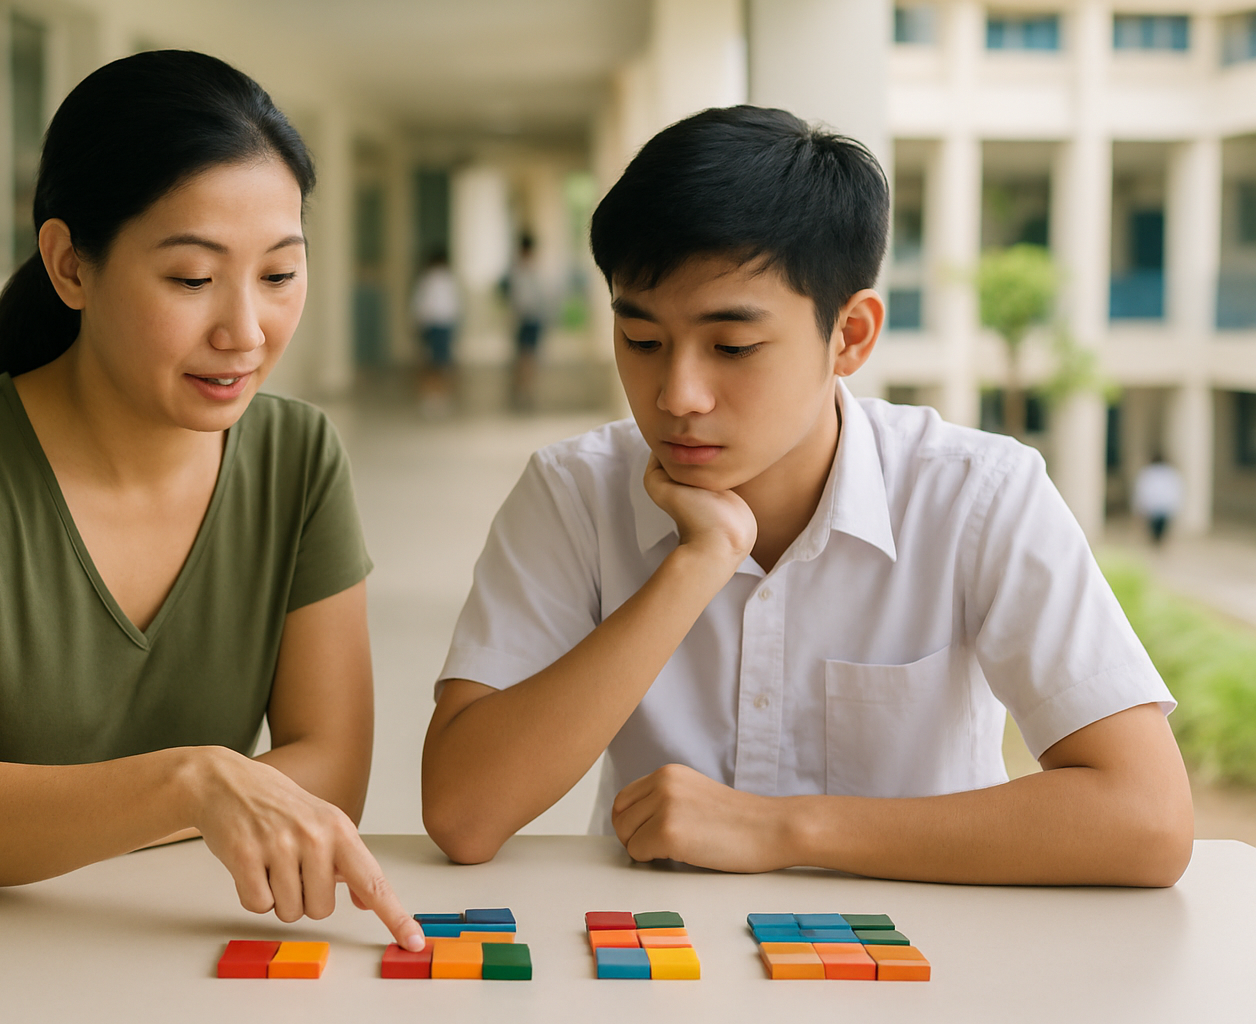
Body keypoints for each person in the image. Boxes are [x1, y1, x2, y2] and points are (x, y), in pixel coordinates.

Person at [0, 50, 424, 997]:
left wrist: (191, 797)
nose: (246, 329)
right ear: (70, 265)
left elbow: (330, 767)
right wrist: (194, 784)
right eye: (190, 279)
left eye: (279, 274)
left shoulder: (298, 457)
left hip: (76, 960)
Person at [420, 106, 1192, 888]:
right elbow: (464, 812)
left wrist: (785, 828)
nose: (678, 395)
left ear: (850, 336)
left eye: (733, 347)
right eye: (643, 341)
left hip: (918, 968)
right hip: (664, 968)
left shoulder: (975, 494)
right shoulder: (574, 491)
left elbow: (1147, 820)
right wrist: (697, 563)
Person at [411, 250, 460, 419]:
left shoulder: (427, 279)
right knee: (441, 362)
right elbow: (454, 305)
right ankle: (440, 396)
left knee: (431, 362)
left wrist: (418, 324)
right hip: (443, 324)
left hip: (432, 324)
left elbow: (419, 305)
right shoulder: (447, 279)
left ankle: (432, 397)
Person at [507, 233, 547, 409]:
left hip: (530, 318)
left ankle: (525, 391)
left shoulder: (523, 270)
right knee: (525, 356)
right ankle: (524, 391)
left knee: (527, 356)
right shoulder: (526, 270)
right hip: (527, 318)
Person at [1132, 455, 1183, 546]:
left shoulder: (1147, 472)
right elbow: (1176, 490)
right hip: (1165, 506)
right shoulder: (1170, 472)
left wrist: (1140, 507)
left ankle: (1156, 543)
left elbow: (1142, 490)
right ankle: (1158, 543)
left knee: (1154, 530)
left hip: (1153, 507)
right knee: (1160, 530)